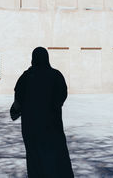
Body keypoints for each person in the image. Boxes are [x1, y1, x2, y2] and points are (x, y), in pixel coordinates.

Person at [10, 47, 74, 178]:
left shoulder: (26, 77)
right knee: (57, 160)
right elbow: (62, 96)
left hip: (31, 128)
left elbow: (17, 102)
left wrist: (17, 111)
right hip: (53, 127)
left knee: (36, 161)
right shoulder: (56, 76)